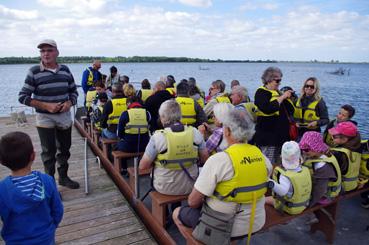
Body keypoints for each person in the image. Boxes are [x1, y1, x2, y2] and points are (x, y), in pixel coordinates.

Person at [173, 109, 272, 244]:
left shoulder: (219, 160)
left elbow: (192, 202)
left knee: (177, 212)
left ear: (227, 131)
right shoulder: (263, 158)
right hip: (255, 222)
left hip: (222, 226)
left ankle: (196, 240)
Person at [18, 39, 80, 189]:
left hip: (64, 116)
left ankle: (63, 177)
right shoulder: (34, 71)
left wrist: (69, 103)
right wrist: (46, 105)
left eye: (49, 50)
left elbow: (74, 92)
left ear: (57, 52)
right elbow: (23, 97)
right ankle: (50, 184)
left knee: (65, 149)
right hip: (44, 117)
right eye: (42, 51)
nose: (46, 54)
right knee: (48, 152)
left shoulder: (65, 70)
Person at [0, 131, 63, 244]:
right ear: (33, 156)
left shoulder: (2, 190)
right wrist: (51, 227)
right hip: (46, 238)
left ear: (2, 162)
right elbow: (58, 210)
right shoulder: (47, 181)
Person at [139, 99, 208, 195]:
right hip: (190, 184)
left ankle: (167, 209)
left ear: (163, 117)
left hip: (164, 186)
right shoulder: (195, 133)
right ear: (180, 115)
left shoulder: (158, 137)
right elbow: (205, 158)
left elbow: (143, 166)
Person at [254, 67, 294, 164]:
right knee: (268, 163)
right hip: (268, 138)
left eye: (280, 80)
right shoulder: (261, 92)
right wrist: (283, 97)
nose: (279, 83)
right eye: (277, 80)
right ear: (268, 80)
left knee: (279, 163)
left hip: (281, 138)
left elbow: (290, 110)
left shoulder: (277, 93)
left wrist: (289, 98)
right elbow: (267, 108)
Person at [266, 141, 312, 215]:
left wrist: (270, 182)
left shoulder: (285, 175)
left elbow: (283, 191)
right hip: (304, 204)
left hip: (289, 207)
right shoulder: (304, 169)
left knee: (265, 200)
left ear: (282, 157)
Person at [299, 131, 341, 206]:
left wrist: (309, 204)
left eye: (306, 150)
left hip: (324, 195)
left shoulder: (323, 166)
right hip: (318, 185)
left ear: (316, 148)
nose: (303, 152)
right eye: (302, 149)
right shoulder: (319, 153)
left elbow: (320, 190)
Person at [117, 96, 151, 176]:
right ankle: (143, 164)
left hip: (128, 147)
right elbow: (150, 128)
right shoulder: (147, 113)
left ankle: (124, 168)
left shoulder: (125, 114)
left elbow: (119, 134)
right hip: (144, 146)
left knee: (118, 145)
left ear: (129, 104)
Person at [329, 121, 361, 192]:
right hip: (353, 184)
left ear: (344, 139)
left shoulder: (338, 153)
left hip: (342, 188)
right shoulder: (357, 147)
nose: (331, 138)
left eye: (334, 136)